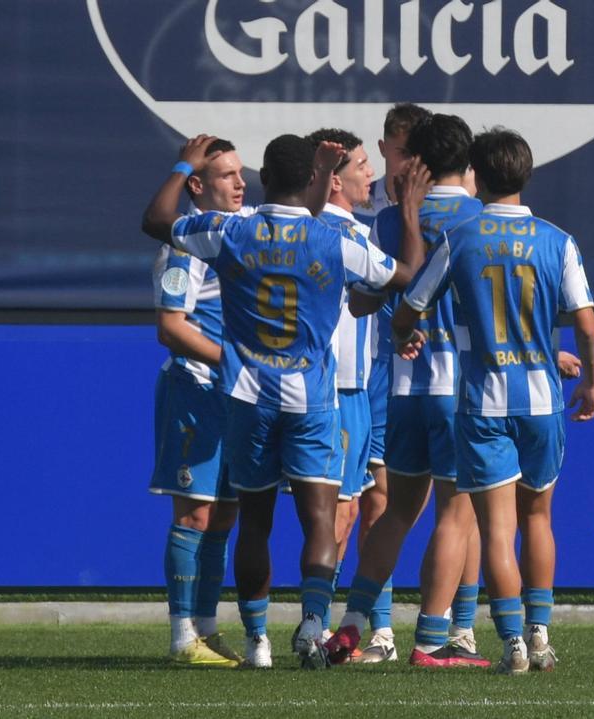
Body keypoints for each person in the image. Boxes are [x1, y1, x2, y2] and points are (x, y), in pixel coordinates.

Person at [142, 133, 430, 669]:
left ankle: (257, 644)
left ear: (261, 181)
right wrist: (408, 213)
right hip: (311, 398)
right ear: (314, 182)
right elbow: (407, 276)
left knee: (253, 521)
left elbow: (157, 219)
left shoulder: (232, 231)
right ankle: (313, 626)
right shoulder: (332, 239)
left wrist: (183, 165)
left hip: (248, 395)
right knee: (322, 521)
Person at [391, 128, 594, 674]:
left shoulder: (461, 237)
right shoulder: (557, 240)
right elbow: (586, 325)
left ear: (476, 177)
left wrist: (403, 334)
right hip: (541, 401)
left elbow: (411, 303)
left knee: (496, 530)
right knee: (539, 518)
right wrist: (592, 382)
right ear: (525, 174)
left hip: (482, 403)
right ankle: (539, 633)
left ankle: (510, 644)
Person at [328, 114, 489, 668]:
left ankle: (352, 622)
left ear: (415, 157)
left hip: (403, 388)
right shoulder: (485, 218)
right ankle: (433, 637)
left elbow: (361, 300)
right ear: (467, 162)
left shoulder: (390, 219)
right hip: (462, 387)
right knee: (456, 513)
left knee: (397, 511)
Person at [149, 138, 250, 668]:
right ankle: (182, 638)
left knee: (226, 517)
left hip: (233, 395)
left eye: (241, 173)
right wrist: (230, 360)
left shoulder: (239, 230)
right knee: (195, 515)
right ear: (196, 186)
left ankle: (207, 633)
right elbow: (169, 328)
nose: (239, 183)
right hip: (196, 390)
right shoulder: (182, 247)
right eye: (226, 175)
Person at [350, 103, 433, 661]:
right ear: (385, 149)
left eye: (416, 155)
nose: (407, 165)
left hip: (429, 371)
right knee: (372, 499)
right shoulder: (366, 205)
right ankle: (371, 626)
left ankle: (455, 623)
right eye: (401, 152)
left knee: (455, 504)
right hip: (374, 369)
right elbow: (366, 289)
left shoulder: (450, 202)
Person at [303, 128, 377, 640]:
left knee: (359, 507)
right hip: (336, 388)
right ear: (334, 181)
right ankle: (316, 624)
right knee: (340, 512)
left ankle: (346, 624)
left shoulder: (357, 232)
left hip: (355, 386)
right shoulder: (332, 234)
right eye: (361, 167)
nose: (370, 175)